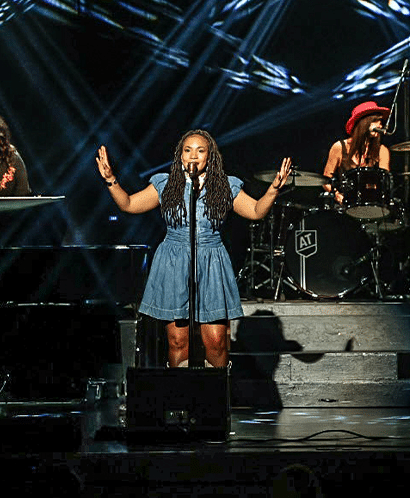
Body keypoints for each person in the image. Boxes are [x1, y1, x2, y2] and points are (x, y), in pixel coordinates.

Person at [96, 130, 291, 367]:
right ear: (180, 156)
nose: (193, 156)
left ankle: (217, 397)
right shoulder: (165, 184)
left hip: (211, 261)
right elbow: (128, 204)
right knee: (178, 341)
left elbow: (255, 211)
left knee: (217, 341)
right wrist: (111, 179)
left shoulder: (225, 185)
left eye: (200, 151)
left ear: (210, 156)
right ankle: (182, 398)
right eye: (187, 150)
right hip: (174, 261)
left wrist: (273, 189)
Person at [323, 100, 390, 204]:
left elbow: (384, 182)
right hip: (346, 207)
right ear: (364, 122)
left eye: (381, 122)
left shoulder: (382, 150)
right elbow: (325, 180)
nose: (380, 126)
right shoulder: (339, 147)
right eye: (375, 121)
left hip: (373, 205)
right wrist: (337, 196)